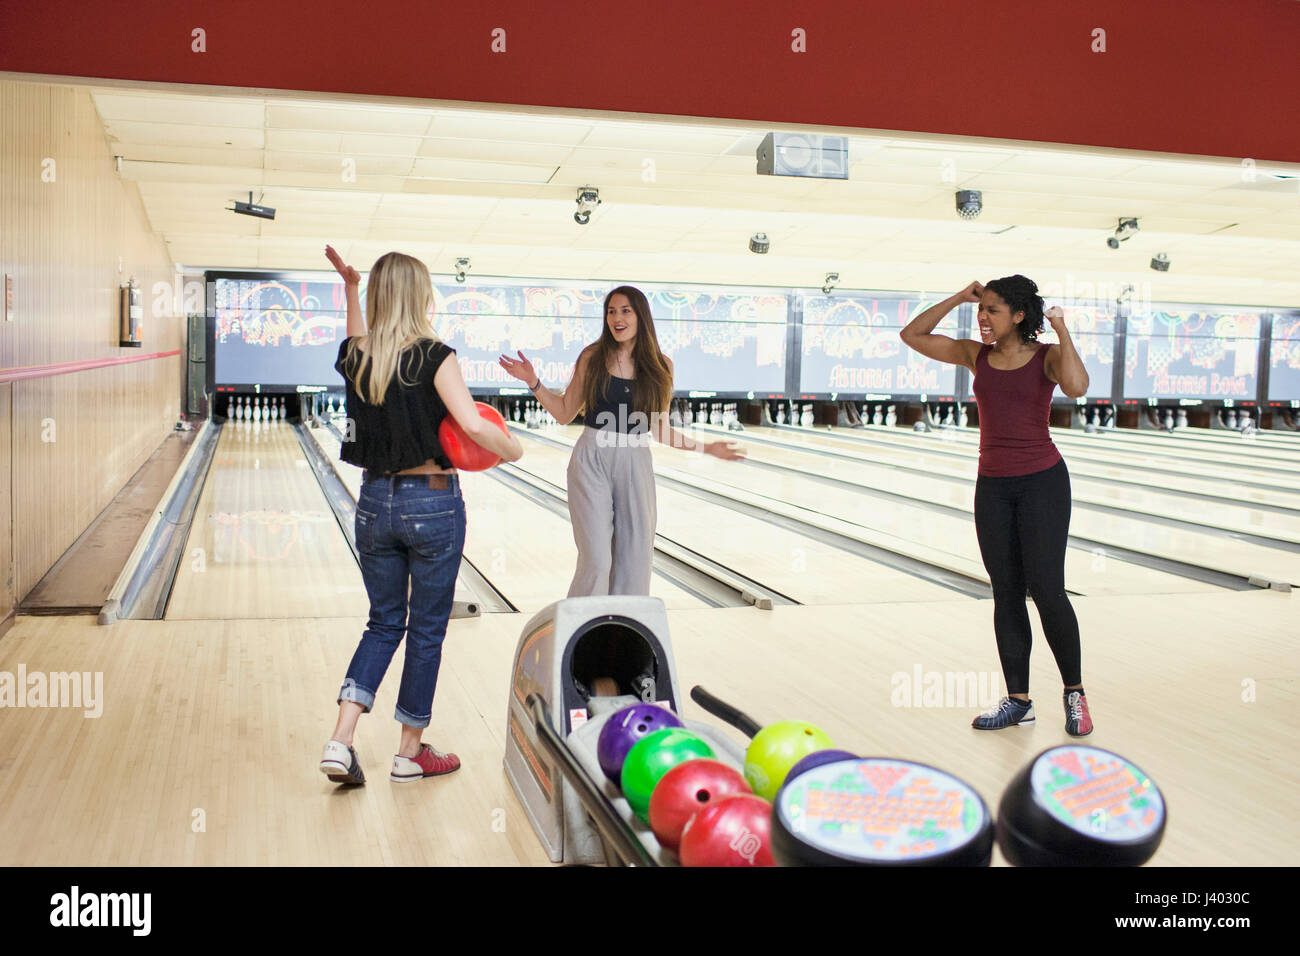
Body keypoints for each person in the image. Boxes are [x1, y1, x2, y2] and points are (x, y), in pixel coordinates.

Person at [318, 245, 523, 785]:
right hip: (431, 501)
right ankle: (409, 753)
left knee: (383, 622)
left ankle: (341, 741)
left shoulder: (355, 355)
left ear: (381, 295)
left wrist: (349, 288)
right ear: (422, 295)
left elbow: (357, 334)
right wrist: (513, 448)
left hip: (373, 504)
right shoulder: (436, 354)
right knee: (426, 630)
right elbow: (473, 426)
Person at [899, 275, 1094, 736]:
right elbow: (913, 336)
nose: (983, 319)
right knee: (1005, 593)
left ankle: (1075, 693)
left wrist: (1061, 329)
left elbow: (1078, 387)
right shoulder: (976, 355)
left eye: (992, 310)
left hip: (1042, 483)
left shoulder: (1046, 357)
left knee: (1047, 590)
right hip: (993, 486)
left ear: (1020, 315)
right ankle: (1018, 701)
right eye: (981, 309)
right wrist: (958, 297)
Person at [499, 285, 744, 597]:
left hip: (635, 460)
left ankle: (624, 634)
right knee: (597, 561)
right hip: (592, 459)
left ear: (640, 315)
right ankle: (583, 634)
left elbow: (662, 430)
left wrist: (706, 447)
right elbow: (563, 413)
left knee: (635, 560)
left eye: (625, 310)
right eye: (611, 311)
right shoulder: (591, 357)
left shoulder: (662, 366)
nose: (617, 317)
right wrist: (533, 382)